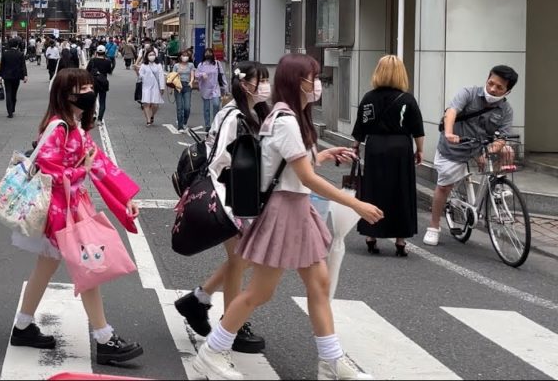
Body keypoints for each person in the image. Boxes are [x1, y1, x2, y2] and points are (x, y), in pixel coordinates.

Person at [191, 53, 383, 381]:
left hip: (296, 208)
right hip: (285, 211)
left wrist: (322, 155)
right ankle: (212, 352)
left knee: (318, 284)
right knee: (260, 292)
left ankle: (331, 361)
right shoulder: (286, 121)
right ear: (298, 82)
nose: (318, 84)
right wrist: (356, 205)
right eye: (314, 77)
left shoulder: (289, 118)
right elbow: (305, 178)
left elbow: (291, 168)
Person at [10, 68, 144, 364]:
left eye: (89, 87)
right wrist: (82, 170)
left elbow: (101, 164)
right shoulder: (59, 127)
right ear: (65, 94)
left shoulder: (73, 126)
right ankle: (104, 338)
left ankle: (22, 326)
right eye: (81, 89)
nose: (88, 93)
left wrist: (126, 197)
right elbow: (51, 172)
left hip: (69, 206)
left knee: (47, 268)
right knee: (89, 267)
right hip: (63, 209)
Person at [176, 61, 270, 352]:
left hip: (242, 195)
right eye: (260, 80)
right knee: (241, 259)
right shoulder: (233, 116)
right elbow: (217, 160)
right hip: (229, 195)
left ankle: (199, 300)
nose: (265, 86)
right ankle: (232, 324)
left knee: (242, 259)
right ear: (245, 84)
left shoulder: (252, 113)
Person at [423, 65, 518, 247]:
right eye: (490, 83)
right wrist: (449, 133)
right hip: (454, 147)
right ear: (487, 79)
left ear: (508, 91)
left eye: (499, 87)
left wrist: (489, 150)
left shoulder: (506, 110)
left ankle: (496, 188)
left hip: (478, 147)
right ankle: (434, 227)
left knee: (507, 150)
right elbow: (452, 111)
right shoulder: (468, 93)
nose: (493, 89)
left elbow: (502, 137)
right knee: (444, 187)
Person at [349, 55, 425, 256]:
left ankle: (371, 236)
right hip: (400, 148)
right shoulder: (407, 99)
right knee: (401, 190)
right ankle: (400, 241)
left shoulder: (368, 98)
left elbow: (361, 126)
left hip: (375, 147)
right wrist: (420, 150)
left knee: (374, 189)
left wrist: (355, 146)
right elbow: (417, 129)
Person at [196, 49, 228, 130]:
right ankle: (207, 125)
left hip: (215, 88)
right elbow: (196, 74)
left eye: (210, 53)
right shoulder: (201, 65)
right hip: (205, 88)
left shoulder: (217, 63)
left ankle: (215, 123)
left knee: (216, 104)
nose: (208, 54)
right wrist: (202, 74)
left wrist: (225, 87)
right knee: (206, 108)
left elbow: (222, 75)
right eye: (206, 53)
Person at [0, 37, 29, 118]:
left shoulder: (5, 54)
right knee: (14, 93)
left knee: (8, 92)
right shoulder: (20, 54)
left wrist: (0, 75)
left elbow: (2, 65)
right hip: (16, 76)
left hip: (7, 76)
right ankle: (12, 108)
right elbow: (23, 65)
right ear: (17, 45)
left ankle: (9, 112)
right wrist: (25, 75)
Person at [86, 45, 114, 122]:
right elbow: (109, 71)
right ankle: (100, 119)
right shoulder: (108, 61)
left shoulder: (92, 60)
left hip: (93, 82)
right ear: (105, 52)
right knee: (102, 101)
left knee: (92, 100)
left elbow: (87, 71)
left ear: (97, 52)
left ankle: (92, 115)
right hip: (103, 82)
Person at [138, 49, 165, 126]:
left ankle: (152, 115)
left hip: (156, 87)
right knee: (146, 103)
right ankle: (148, 120)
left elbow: (161, 76)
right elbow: (140, 75)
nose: (152, 56)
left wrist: (162, 87)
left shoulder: (158, 65)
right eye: (150, 55)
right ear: (146, 56)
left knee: (155, 104)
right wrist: (141, 74)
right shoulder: (144, 65)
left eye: (153, 54)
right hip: (146, 86)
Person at [173, 49, 197, 133]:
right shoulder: (176, 65)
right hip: (178, 86)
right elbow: (172, 76)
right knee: (180, 107)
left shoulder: (191, 65)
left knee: (187, 107)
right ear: (180, 57)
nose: (185, 57)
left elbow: (192, 75)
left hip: (187, 86)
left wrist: (191, 82)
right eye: (183, 55)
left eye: (186, 56)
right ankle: (180, 126)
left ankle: (184, 122)